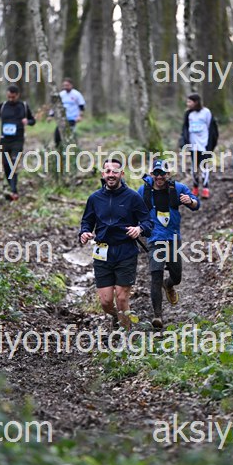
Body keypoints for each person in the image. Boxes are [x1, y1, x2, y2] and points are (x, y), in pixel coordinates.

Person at [79, 158, 153, 329]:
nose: (111, 175)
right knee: (106, 302)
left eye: (115, 171)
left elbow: (148, 222)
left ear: (122, 174)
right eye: (108, 171)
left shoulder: (132, 197)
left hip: (125, 251)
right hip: (102, 252)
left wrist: (139, 228)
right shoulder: (95, 198)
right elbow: (87, 221)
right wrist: (84, 232)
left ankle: (127, 336)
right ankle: (118, 317)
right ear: (103, 174)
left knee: (121, 298)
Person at [138, 159, 200, 330]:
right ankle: (157, 316)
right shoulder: (143, 190)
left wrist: (190, 201)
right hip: (154, 237)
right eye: (156, 173)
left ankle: (169, 284)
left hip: (172, 237)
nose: (159, 177)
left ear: (168, 174)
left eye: (162, 173)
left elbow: (196, 204)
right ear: (151, 174)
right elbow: (132, 208)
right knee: (155, 276)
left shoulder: (177, 188)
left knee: (177, 276)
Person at [0, 84, 36, 201]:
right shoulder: (2, 106)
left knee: (13, 163)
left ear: (18, 95)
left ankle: (14, 191)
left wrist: (28, 121)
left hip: (18, 140)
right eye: (9, 97)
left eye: (13, 97)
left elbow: (33, 120)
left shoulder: (23, 106)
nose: (10, 99)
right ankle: (12, 187)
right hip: (4, 140)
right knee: (6, 165)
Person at [181, 92, 212, 198]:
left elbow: (210, 127)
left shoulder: (206, 112)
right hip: (193, 146)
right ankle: (195, 188)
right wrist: (185, 142)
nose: (188, 104)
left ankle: (205, 188)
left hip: (204, 145)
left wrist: (210, 144)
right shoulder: (188, 114)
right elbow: (185, 128)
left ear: (196, 102)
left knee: (204, 166)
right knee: (194, 167)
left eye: (189, 102)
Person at [54, 78, 85, 147]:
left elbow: (81, 106)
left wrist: (80, 116)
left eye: (67, 85)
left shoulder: (76, 94)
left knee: (69, 133)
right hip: (62, 117)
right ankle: (58, 148)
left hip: (72, 117)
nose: (65, 87)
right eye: (64, 85)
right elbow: (56, 105)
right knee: (57, 134)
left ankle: (71, 147)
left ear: (71, 85)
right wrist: (51, 115)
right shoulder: (61, 94)